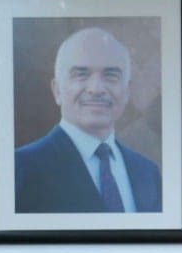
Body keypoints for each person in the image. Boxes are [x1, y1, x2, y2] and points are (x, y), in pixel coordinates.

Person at [14, 27, 161, 213]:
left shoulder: (148, 173)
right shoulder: (20, 170)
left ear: (126, 92)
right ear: (57, 90)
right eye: (81, 74)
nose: (96, 89)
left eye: (111, 75)